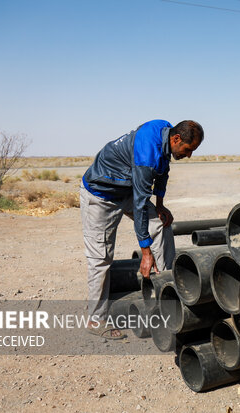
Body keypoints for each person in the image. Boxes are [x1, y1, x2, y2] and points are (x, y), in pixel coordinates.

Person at [80, 119, 204, 339]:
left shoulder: (164, 129)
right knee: (100, 259)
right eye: (188, 150)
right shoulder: (147, 155)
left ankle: (165, 288)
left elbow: (163, 170)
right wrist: (145, 252)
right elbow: (139, 206)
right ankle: (95, 319)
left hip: (126, 188)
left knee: (161, 224)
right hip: (101, 195)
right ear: (176, 139)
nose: (189, 155)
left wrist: (160, 205)